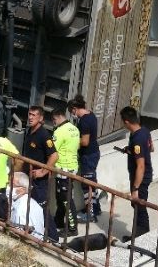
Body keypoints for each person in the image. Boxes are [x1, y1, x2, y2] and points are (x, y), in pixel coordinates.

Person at [22, 105, 59, 242]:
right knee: (30, 206)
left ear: (41, 118)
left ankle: (54, 238)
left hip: (39, 181)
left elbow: (54, 155)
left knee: (42, 208)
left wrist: (43, 172)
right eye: (29, 114)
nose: (30, 117)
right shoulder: (29, 131)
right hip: (28, 177)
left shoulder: (44, 135)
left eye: (34, 115)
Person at [120, 106, 153, 242]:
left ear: (127, 122)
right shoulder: (144, 131)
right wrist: (131, 150)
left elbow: (140, 166)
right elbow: (151, 148)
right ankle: (139, 233)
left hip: (140, 178)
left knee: (139, 205)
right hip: (143, 176)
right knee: (138, 205)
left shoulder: (137, 139)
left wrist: (135, 189)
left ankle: (141, 235)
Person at [70, 95, 102, 223]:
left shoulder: (84, 121)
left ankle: (90, 214)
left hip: (88, 156)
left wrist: (72, 141)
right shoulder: (91, 114)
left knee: (87, 185)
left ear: (74, 108)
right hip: (94, 153)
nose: (72, 114)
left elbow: (84, 141)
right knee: (92, 182)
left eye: (71, 111)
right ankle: (96, 209)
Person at [52, 108, 80, 235]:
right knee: (61, 197)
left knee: (66, 199)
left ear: (58, 117)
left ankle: (72, 228)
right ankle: (58, 221)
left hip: (63, 169)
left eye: (54, 120)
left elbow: (52, 151)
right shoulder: (74, 129)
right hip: (72, 167)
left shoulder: (59, 132)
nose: (54, 123)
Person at [9, 172, 45, 240]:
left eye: (12, 185)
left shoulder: (20, 208)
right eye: (8, 184)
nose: (8, 187)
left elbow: (21, 235)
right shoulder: (32, 202)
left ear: (23, 190)